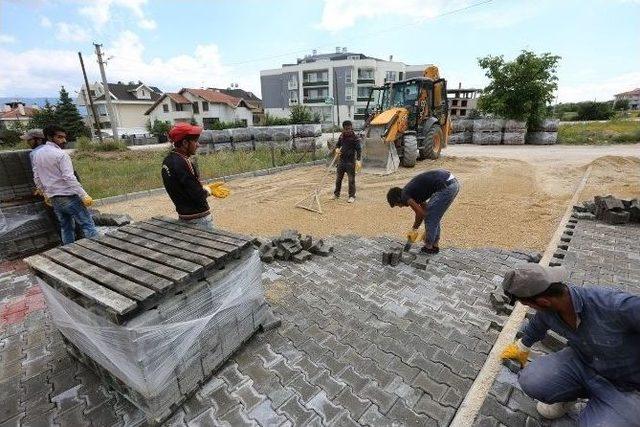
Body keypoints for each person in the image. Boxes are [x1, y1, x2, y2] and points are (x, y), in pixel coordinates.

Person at [500, 264, 640, 425]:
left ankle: (609, 407)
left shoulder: (615, 305)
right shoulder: (549, 310)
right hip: (583, 362)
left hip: (626, 385)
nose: (531, 308)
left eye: (530, 305)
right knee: (532, 379)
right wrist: (522, 347)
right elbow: (537, 325)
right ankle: (569, 397)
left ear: (544, 302)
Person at [32, 124, 97, 244]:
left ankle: (68, 251)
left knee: (66, 227)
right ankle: (98, 251)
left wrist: (45, 193)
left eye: (64, 137)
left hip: (54, 198)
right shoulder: (61, 155)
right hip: (68, 196)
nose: (64, 140)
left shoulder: (37, 154)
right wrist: (84, 195)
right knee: (88, 224)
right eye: (60, 137)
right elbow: (69, 177)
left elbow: (36, 176)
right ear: (49, 137)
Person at [161, 123, 229, 230]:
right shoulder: (183, 162)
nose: (198, 145)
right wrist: (208, 190)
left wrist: (201, 187)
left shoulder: (168, 161)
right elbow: (198, 195)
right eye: (195, 141)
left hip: (184, 216)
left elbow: (184, 188)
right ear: (184, 143)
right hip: (198, 219)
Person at [386, 169, 459, 253]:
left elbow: (420, 213)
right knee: (433, 215)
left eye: (398, 205)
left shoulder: (404, 195)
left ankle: (429, 247)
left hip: (446, 186)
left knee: (431, 217)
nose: (400, 207)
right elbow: (424, 210)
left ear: (398, 199)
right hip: (451, 183)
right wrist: (429, 230)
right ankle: (434, 245)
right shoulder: (414, 192)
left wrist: (414, 229)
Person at [333, 120, 362, 203]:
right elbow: (338, 144)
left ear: (351, 127)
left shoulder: (355, 138)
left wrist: (358, 160)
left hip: (350, 162)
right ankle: (336, 194)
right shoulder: (342, 136)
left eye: (349, 128)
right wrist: (337, 149)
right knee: (338, 179)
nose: (348, 130)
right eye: (346, 129)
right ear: (343, 128)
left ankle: (352, 196)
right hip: (341, 161)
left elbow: (359, 149)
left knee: (351, 180)